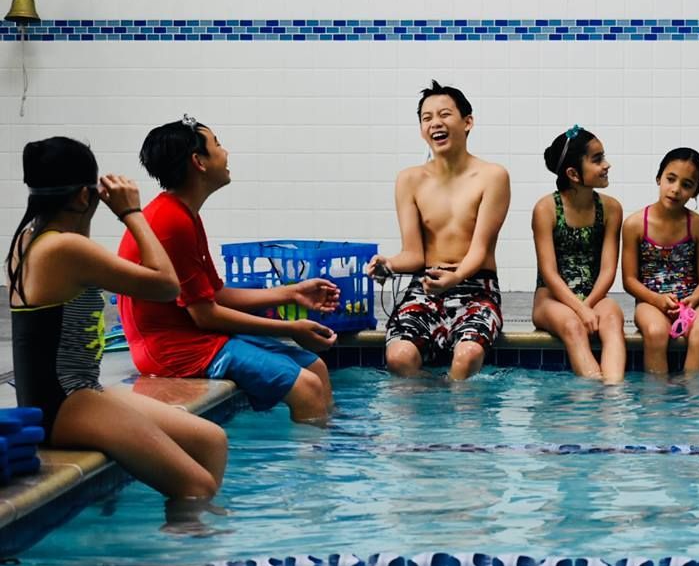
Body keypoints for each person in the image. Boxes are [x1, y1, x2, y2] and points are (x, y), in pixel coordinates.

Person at [7, 137, 227, 512]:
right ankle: (185, 561)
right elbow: (165, 285)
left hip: (78, 393)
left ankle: (188, 538)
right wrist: (132, 213)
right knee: (195, 485)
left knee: (210, 439)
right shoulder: (64, 249)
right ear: (83, 197)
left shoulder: (32, 239)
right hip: (66, 402)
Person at [117, 117, 341, 423]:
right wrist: (291, 328)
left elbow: (214, 294)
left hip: (197, 337)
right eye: (217, 144)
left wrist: (291, 293)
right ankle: (309, 469)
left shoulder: (184, 214)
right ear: (199, 162)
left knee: (316, 367)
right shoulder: (171, 222)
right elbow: (205, 314)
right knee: (306, 386)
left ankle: (329, 447)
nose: (226, 153)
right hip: (175, 352)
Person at [366, 81, 511, 380]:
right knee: (399, 356)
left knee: (468, 354)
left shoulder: (492, 176)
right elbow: (414, 255)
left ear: (467, 122)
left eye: (444, 114)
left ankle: (456, 420)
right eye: (427, 118)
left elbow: (480, 249)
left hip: (476, 287)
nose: (435, 123)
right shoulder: (409, 180)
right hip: (427, 286)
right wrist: (389, 265)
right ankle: (433, 413)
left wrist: (456, 277)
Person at [532, 125, 625, 383]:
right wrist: (579, 310)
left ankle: (613, 396)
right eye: (597, 160)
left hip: (594, 296)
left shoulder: (611, 209)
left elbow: (608, 270)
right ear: (573, 173)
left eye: (603, 156)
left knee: (613, 320)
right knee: (573, 327)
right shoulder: (546, 209)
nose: (606, 165)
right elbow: (549, 273)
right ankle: (590, 398)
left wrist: (588, 305)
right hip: (551, 299)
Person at [622, 148, 699, 374]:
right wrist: (657, 300)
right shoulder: (635, 225)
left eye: (686, 184)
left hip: (689, 302)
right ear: (658, 178)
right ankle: (657, 402)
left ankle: (692, 400)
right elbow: (629, 280)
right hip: (650, 301)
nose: (675, 190)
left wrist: (693, 300)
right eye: (670, 179)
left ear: (696, 191)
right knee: (655, 331)